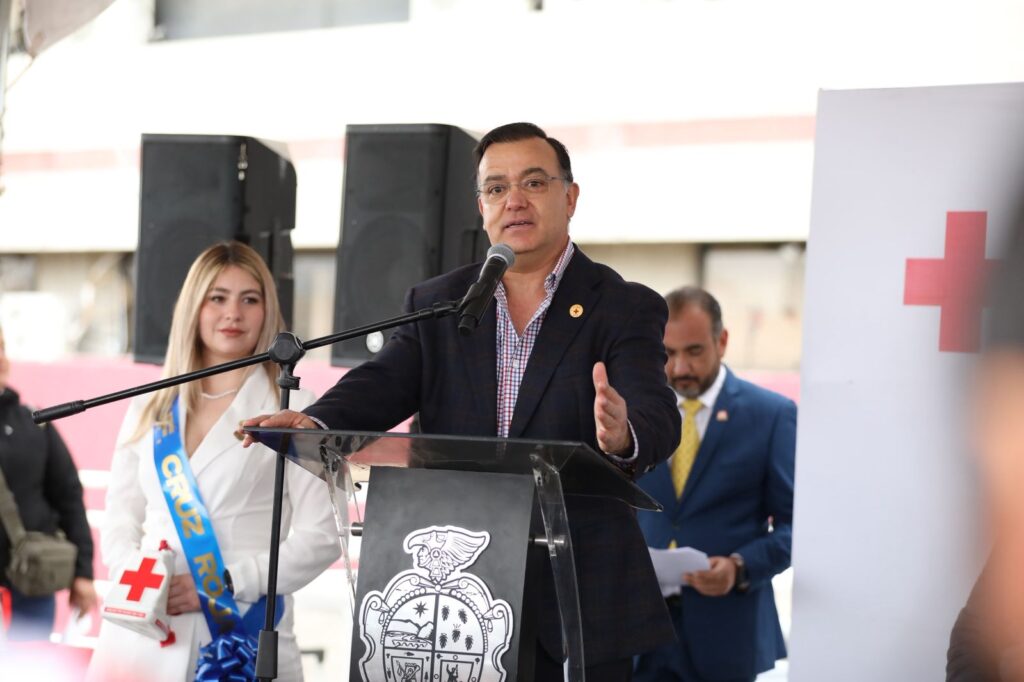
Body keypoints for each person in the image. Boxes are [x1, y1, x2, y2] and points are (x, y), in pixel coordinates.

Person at [244, 122, 681, 681]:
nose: (514, 200)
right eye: (497, 188)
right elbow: (383, 381)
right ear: (482, 207)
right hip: (454, 599)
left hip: (577, 604)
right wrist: (315, 420)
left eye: (534, 183)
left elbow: (656, 414)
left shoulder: (622, 306)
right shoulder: (443, 302)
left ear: (570, 197)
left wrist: (622, 434)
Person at [87, 242, 340, 681]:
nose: (233, 314)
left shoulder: (293, 406)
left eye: (250, 299)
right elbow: (120, 516)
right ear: (194, 306)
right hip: (142, 631)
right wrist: (140, 576)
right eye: (217, 298)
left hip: (243, 626)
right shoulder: (150, 403)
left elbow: (322, 536)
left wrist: (226, 582)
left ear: (268, 310)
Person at [633, 286, 796, 682]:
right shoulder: (634, 413)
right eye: (668, 354)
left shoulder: (772, 415)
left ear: (721, 342)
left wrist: (740, 567)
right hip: (640, 633)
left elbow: (798, 527)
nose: (680, 368)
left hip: (728, 634)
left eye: (694, 351)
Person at [0, 324, 97, 640]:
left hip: (32, 584)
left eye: (1, 347)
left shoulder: (34, 422)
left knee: (31, 664)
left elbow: (68, 495)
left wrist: (83, 573)